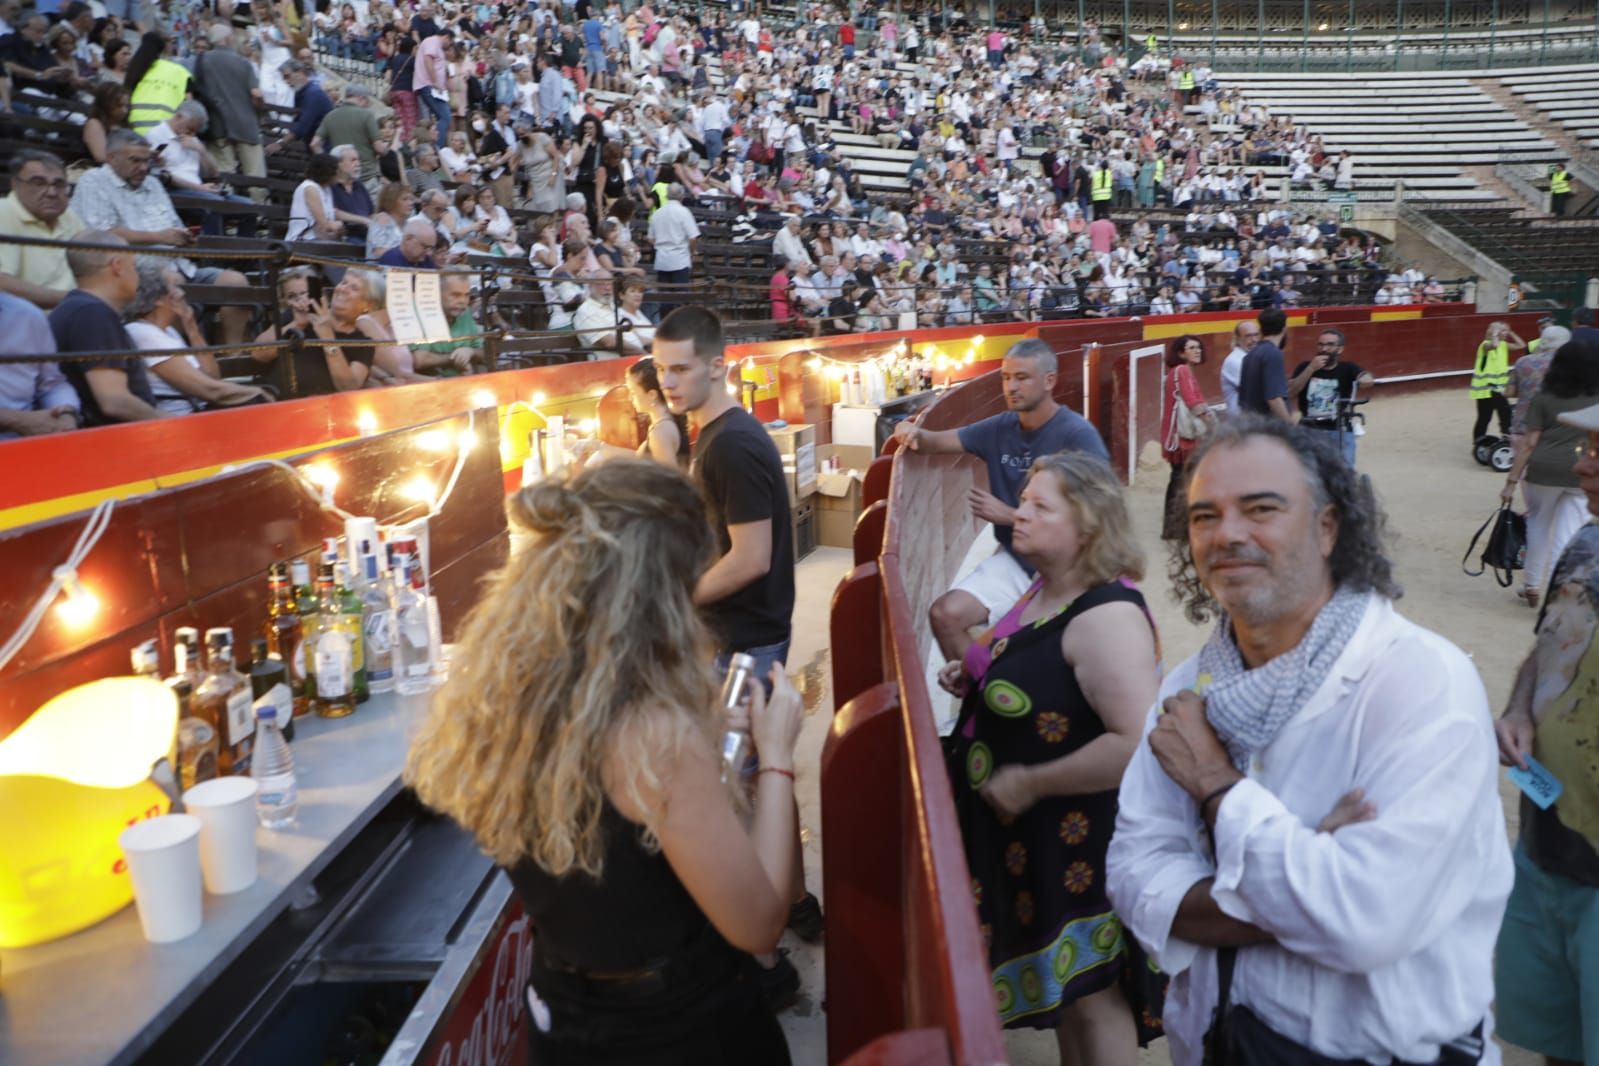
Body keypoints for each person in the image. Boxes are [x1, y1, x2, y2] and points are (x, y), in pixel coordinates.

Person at [1107, 416, 1513, 1066]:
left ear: (1327, 528)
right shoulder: (1190, 688)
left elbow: (1362, 922)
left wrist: (1216, 786)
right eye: (1204, 515)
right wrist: (1307, 870)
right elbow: (1131, 877)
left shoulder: (1420, 682)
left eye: (1260, 509)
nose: (1227, 534)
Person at [404, 461, 801, 1066]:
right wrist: (776, 757)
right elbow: (760, 924)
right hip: (677, 1028)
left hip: (564, 1010)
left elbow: (618, 847)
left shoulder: (500, 693)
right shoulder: (651, 734)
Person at [939, 453, 1158, 1061]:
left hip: (1077, 838)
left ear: (1087, 525)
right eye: (1024, 501)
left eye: (1040, 506)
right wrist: (975, 675)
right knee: (1068, 988)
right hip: (1033, 836)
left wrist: (1034, 782)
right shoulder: (1047, 586)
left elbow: (1134, 741)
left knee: (1095, 992)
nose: (1020, 515)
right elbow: (1026, 663)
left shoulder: (1108, 616)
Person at [653, 306, 819, 1000]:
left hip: (742, 642)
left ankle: (765, 965)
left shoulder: (730, 446)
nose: (668, 381)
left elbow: (750, 558)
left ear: (718, 365)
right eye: (660, 369)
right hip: (741, 638)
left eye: (681, 368)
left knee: (730, 796)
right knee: (752, 784)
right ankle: (799, 908)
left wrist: (672, 600)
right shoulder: (714, 437)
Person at [892, 338, 1110, 661]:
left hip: (1071, 570)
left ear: (1049, 381)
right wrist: (907, 430)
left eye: (1022, 378)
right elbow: (931, 443)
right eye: (1006, 378)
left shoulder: (1078, 435)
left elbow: (1102, 515)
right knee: (945, 614)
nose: (1011, 387)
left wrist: (1012, 516)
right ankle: (981, 698)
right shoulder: (1000, 427)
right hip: (1019, 561)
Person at [1495, 393, 1599, 1066]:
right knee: (1550, 1041)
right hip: (1544, 848)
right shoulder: (1584, 546)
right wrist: (1514, 708)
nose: (1584, 466)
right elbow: (1546, 648)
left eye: (1598, 453)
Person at [1501, 337, 1599, 608]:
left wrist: (1511, 481)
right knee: (1567, 534)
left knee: (1538, 525)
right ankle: (1556, 591)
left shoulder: (1544, 397)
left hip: (1543, 469)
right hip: (1583, 470)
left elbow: (1529, 444)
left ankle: (1532, 584)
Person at [48, 230, 166, 425]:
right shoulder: (93, 314)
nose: (136, 275)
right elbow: (114, 401)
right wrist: (174, 426)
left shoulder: (77, 308)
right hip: (112, 443)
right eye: (134, 266)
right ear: (118, 266)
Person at [125, 264, 271, 412]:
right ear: (158, 299)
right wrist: (255, 392)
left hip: (200, 410)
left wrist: (192, 328)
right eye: (176, 287)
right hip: (181, 417)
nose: (182, 293)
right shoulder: (144, 333)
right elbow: (208, 389)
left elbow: (213, 377)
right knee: (257, 401)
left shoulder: (168, 331)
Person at [249, 269, 381, 397]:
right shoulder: (297, 314)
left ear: (368, 305)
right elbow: (258, 354)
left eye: (354, 288)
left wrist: (327, 338)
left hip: (322, 409)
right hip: (277, 400)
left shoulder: (363, 343)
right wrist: (297, 324)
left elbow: (348, 387)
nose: (343, 289)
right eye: (343, 282)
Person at [0, 148, 85, 309]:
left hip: (73, 316)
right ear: (15, 184)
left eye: (59, 184)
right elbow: (2, 284)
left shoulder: (69, 216)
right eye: (38, 183)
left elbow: (94, 266)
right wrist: (76, 300)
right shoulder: (3, 212)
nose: (52, 192)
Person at [1288, 327, 1373, 467]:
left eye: (1329, 345)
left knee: (1345, 473)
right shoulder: (1305, 366)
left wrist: (1364, 379)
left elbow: (1366, 378)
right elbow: (1291, 392)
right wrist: (1310, 369)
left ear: (1340, 349)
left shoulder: (1347, 368)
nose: (1324, 349)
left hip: (1339, 428)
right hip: (1309, 427)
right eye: (1321, 344)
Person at [0, 291, 80, 437]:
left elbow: (52, 384)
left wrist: (66, 413)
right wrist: (17, 420)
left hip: (24, 447)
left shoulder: (27, 316)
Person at [1161, 335, 1217, 540]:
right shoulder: (1182, 370)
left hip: (1179, 432)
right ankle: (1173, 527)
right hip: (1181, 435)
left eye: (1198, 347)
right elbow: (1192, 401)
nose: (1197, 351)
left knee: (1180, 478)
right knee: (1181, 479)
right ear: (1181, 353)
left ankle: (1173, 526)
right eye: (1191, 348)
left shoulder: (1181, 371)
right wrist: (1211, 421)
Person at [409, 273, 482, 376]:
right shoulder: (421, 313)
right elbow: (420, 360)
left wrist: (470, 352)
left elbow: (483, 352)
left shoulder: (464, 312)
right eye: (455, 295)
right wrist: (455, 358)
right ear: (436, 294)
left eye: (467, 295)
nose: (462, 301)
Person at [1472, 320, 1525, 444]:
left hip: (1495, 388)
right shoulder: (1484, 345)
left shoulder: (1503, 345)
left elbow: (1521, 345)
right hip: (1486, 389)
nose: (1505, 333)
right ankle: (1506, 435)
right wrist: (1495, 333)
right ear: (1494, 332)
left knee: (1486, 416)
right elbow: (1493, 345)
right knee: (1503, 412)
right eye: (1503, 330)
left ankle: (1479, 440)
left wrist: (1511, 332)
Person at [649, 183, 700, 304]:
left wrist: (661, 246)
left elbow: (650, 238)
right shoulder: (684, 212)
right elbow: (693, 237)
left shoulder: (657, 213)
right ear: (682, 196)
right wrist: (692, 252)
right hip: (680, 259)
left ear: (666, 195)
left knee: (665, 299)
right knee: (680, 299)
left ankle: (666, 321)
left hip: (662, 260)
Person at [1236, 307, 1290, 420]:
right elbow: (1274, 398)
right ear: (1284, 328)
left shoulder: (1249, 355)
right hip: (1269, 428)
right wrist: (1290, 427)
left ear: (1261, 329)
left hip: (1252, 426)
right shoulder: (1273, 354)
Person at [286, 152, 344, 242]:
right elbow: (324, 225)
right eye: (337, 171)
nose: (339, 174)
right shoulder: (310, 188)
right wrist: (340, 225)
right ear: (328, 172)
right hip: (302, 239)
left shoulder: (327, 189)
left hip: (319, 238)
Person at [1218, 319, 1260, 415]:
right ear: (1237, 339)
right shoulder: (1235, 360)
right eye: (1248, 336)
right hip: (1243, 422)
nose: (1254, 340)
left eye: (1256, 335)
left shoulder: (1250, 357)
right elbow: (1257, 390)